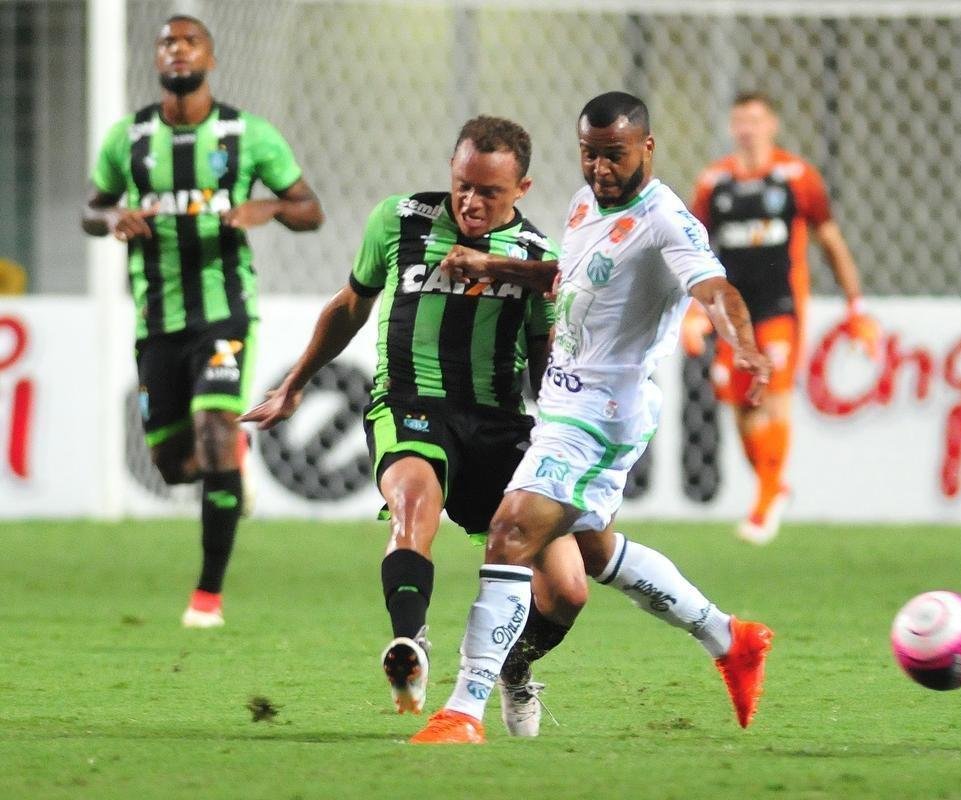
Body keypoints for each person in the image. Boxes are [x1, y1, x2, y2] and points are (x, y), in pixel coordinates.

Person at [411, 91, 776, 745]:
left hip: (603, 417)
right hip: (562, 405)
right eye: (590, 154)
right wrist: (492, 262)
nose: (602, 169)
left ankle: (463, 711)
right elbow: (567, 278)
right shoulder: (587, 204)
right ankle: (728, 637)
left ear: (647, 148)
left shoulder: (666, 221)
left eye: (615, 156)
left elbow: (714, 289)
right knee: (594, 550)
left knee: (511, 529)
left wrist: (742, 343)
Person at [241, 116, 588, 734]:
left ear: (523, 189)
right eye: (462, 185)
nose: (471, 201)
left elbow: (543, 362)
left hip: (498, 422)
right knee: (413, 502)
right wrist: (294, 385)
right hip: (408, 401)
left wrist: (564, 435)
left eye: (490, 192)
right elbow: (350, 306)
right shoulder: (399, 219)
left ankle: (513, 668)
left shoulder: (537, 260)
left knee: (567, 590)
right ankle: (412, 646)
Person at [82, 15, 324, 628]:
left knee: (214, 425)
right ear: (157, 59)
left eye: (190, 41)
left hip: (225, 311)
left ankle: (207, 599)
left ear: (210, 58)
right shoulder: (127, 139)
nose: (178, 50)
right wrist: (112, 220)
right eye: (168, 42)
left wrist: (266, 207)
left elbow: (309, 209)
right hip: (156, 319)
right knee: (171, 464)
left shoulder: (249, 135)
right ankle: (230, 461)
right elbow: (92, 205)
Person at [684, 91, 880, 544]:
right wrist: (693, 311)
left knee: (772, 391)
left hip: (780, 308)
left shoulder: (796, 177)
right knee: (742, 405)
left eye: (755, 119)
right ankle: (774, 488)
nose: (747, 128)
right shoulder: (715, 182)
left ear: (772, 125)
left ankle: (767, 498)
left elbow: (830, 241)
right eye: (740, 120)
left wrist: (856, 307)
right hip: (731, 311)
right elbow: (692, 251)